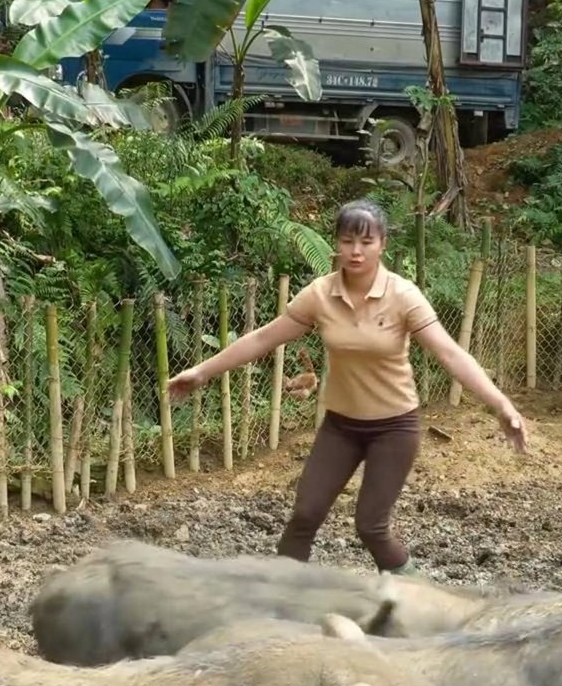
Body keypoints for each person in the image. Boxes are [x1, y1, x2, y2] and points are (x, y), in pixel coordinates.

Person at [166, 199, 529, 576]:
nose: (356, 251)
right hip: (341, 426)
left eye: (366, 242)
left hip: (394, 427)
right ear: (336, 244)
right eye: (347, 241)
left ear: (383, 244)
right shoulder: (320, 295)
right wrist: (202, 371)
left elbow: (451, 355)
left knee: (370, 527)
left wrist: (501, 405)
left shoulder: (403, 296)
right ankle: (281, 600)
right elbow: (263, 339)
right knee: (304, 514)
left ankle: (419, 597)